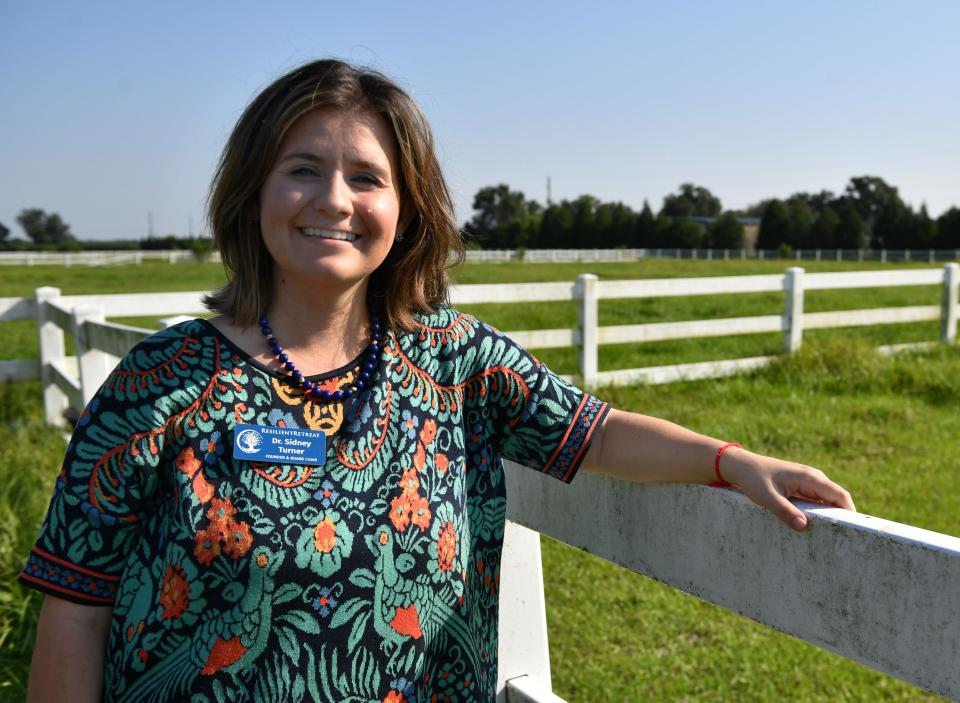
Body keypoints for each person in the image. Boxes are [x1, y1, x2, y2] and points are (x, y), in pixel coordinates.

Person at [21, 59, 855, 703]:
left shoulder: (459, 362)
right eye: (303, 168)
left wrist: (732, 460)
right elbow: (75, 610)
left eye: (367, 177)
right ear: (253, 192)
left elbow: (592, 429)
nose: (334, 200)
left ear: (408, 207)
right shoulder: (159, 383)